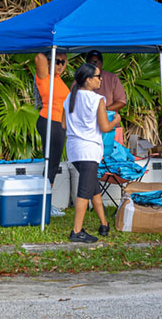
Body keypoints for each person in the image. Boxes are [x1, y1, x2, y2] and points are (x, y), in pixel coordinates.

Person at [62, 63, 120, 243]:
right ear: (88, 80)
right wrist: (116, 120)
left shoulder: (70, 97)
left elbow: (63, 124)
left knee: (94, 187)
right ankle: (76, 231)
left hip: (74, 149)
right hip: (89, 150)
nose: (100, 79)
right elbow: (105, 127)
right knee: (84, 191)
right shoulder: (97, 99)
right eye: (98, 76)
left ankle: (104, 224)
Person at [34, 51, 70, 217]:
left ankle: (46, 202)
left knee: (53, 164)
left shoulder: (58, 79)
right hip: (49, 121)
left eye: (63, 62)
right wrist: (50, 46)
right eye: (57, 61)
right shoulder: (44, 77)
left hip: (57, 124)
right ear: (49, 62)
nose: (60, 65)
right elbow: (39, 57)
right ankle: (45, 205)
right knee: (51, 164)